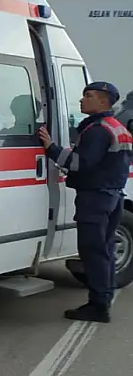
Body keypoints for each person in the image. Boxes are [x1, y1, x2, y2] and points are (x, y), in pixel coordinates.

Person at [40, 80, 133, 323]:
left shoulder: (97, 130)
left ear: (104, 101)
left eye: (88, 95)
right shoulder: (117, 127)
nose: (82, 99)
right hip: (113, 196)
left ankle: (98, 305)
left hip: (95, 198)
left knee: (93, 252)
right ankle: (103, 297)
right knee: (104, 250)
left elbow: (78, 163)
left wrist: (51, 147)